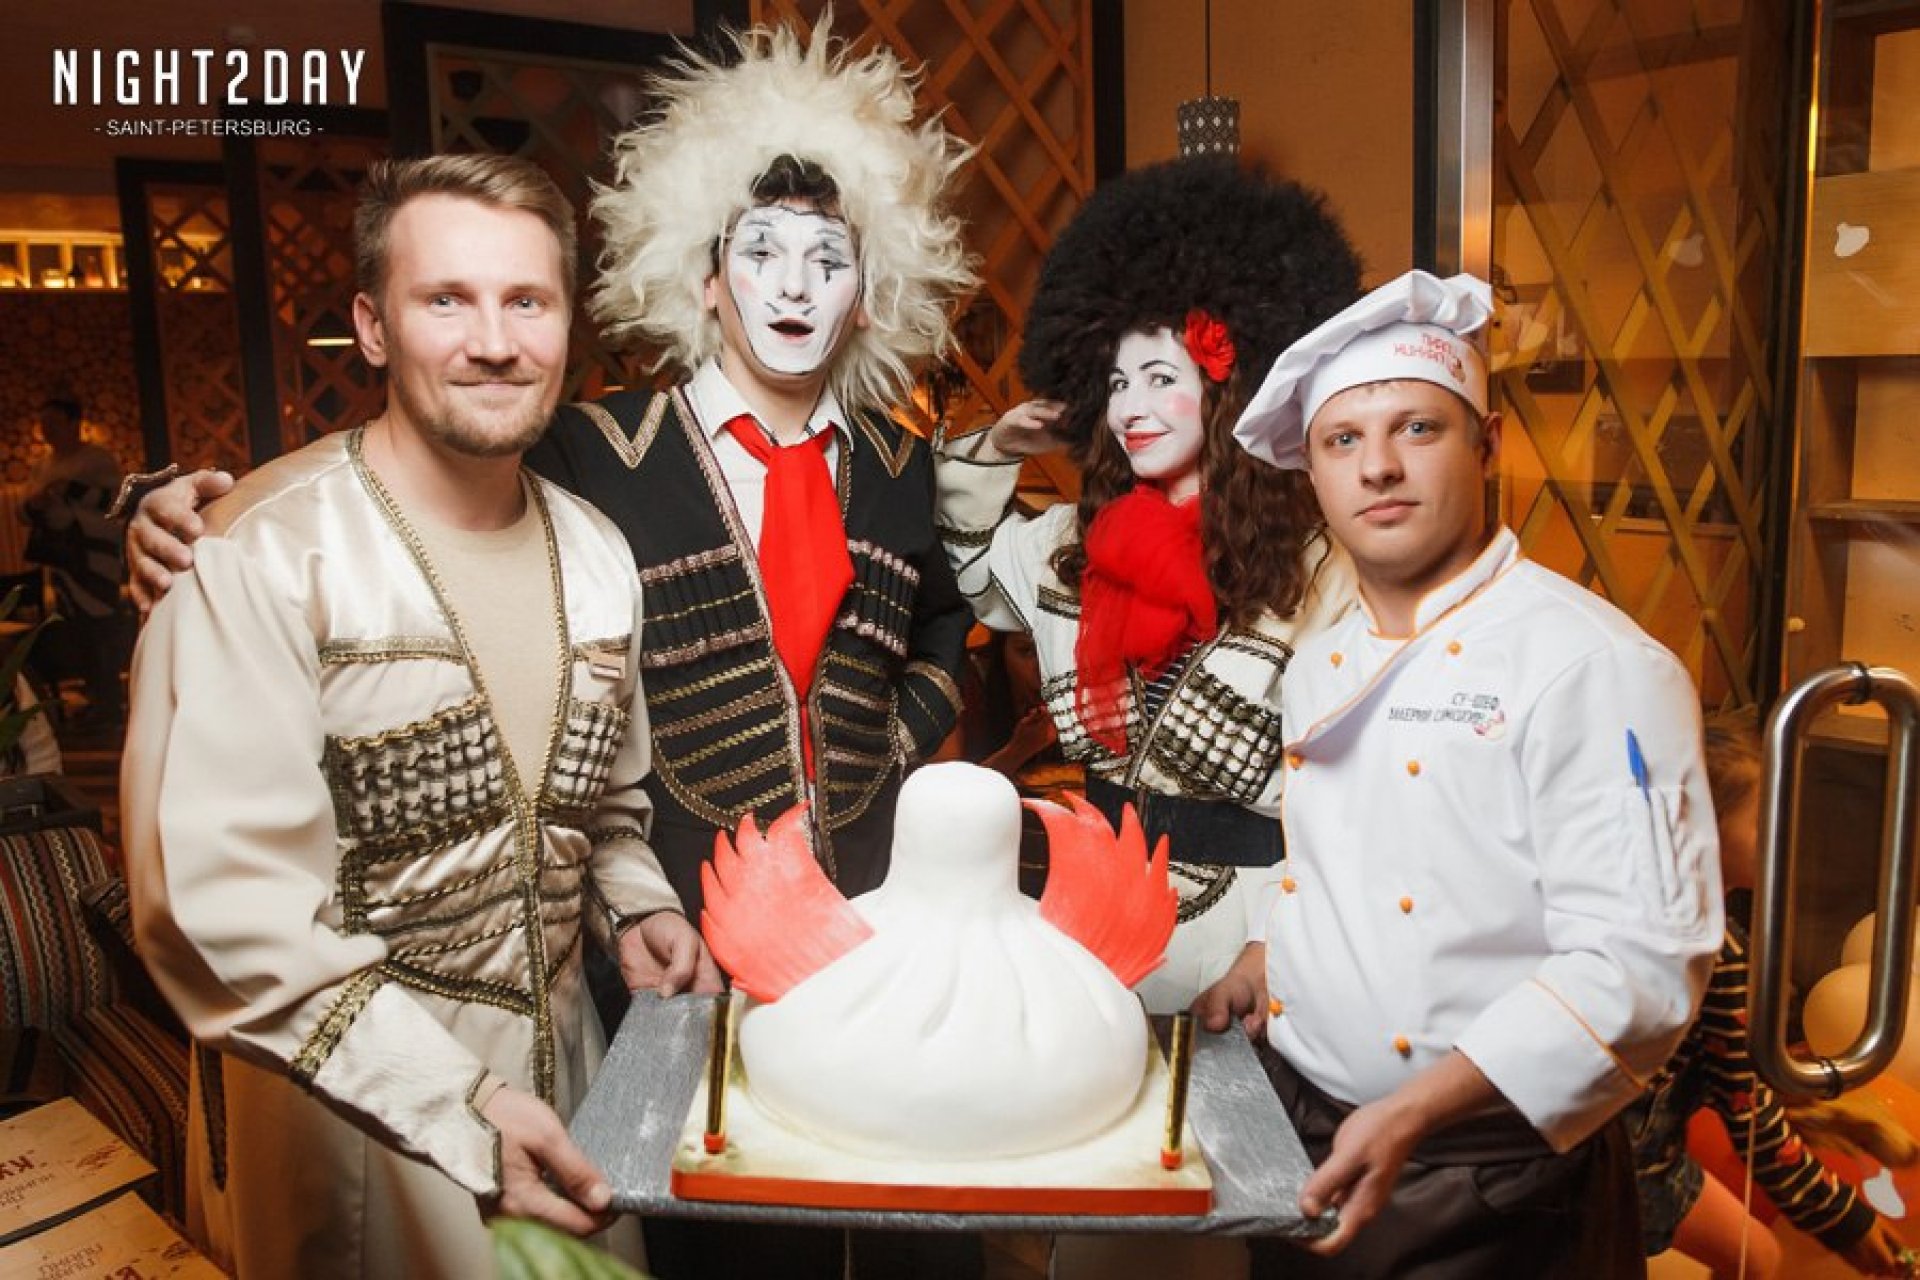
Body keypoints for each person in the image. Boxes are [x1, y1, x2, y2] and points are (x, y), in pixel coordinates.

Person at [125, 24, 982, 1280]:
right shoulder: (590, 453)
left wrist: (890, 746)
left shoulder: (879, 471)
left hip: (760, 956)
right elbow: (379, 488)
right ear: (703, 277)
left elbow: (932, 626)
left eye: (526, 301)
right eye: (761, 253)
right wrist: (170, 509)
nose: (493, 338)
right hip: (497, 1048)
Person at [120, 153, 719, 1280]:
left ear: (566, 327)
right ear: (373, 327)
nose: (493, 340)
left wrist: (633, 905)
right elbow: (219, 906)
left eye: (526, 301)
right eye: (446, 299)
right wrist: (453, 1100)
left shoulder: (598, 554)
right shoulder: (261, 553)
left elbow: (604, 803)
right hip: (353, 1118)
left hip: (572, 1085)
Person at [1203, 268, 1724, 1278]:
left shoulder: (1595, 665)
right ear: (1311, 474)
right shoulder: (1320, 662)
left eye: (1418, 428)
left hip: (1489, 1175)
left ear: (1488, 444)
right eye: (1342, 441)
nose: (1378, 467)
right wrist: (1269, 952)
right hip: (1305, 1128)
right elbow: (1339, 852)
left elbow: (1640, 964)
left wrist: (1414, 1110)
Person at [934, 156, 1362, 1015]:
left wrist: (1273, 945)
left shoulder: (1319, 566)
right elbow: (964, 563)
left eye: (1161, 379)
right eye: (1117, 383)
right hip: (1087, 921)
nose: (1131, 407)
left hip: (1253, 938)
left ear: (1224, 387)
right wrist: (998, 447)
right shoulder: (1067, 545)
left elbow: (1352, 793)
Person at [1627, 714, 1909, 1278]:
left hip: (1619, 1146)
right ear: (1700, 829)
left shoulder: (1641, 908)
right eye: (1762, 822)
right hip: (1635, 1162)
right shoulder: (1716, 952)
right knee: (1759, 1258)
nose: (1782, 838)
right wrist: (1843, 1219)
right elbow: (1748, 1111)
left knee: (1755, 1255)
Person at [22, 395, 126, 725]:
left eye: (53, 422)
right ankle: (95, 699)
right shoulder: (42, 465)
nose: (46, 429)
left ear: (73, 423)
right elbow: (24, 511)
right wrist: (37, 503)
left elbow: (115, 503)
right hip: (62, 560)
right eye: (43, 424)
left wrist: (71, 489)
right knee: (78, 633)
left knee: (101, 629)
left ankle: (111, 702)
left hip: (95, 560)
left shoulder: (97, 460)